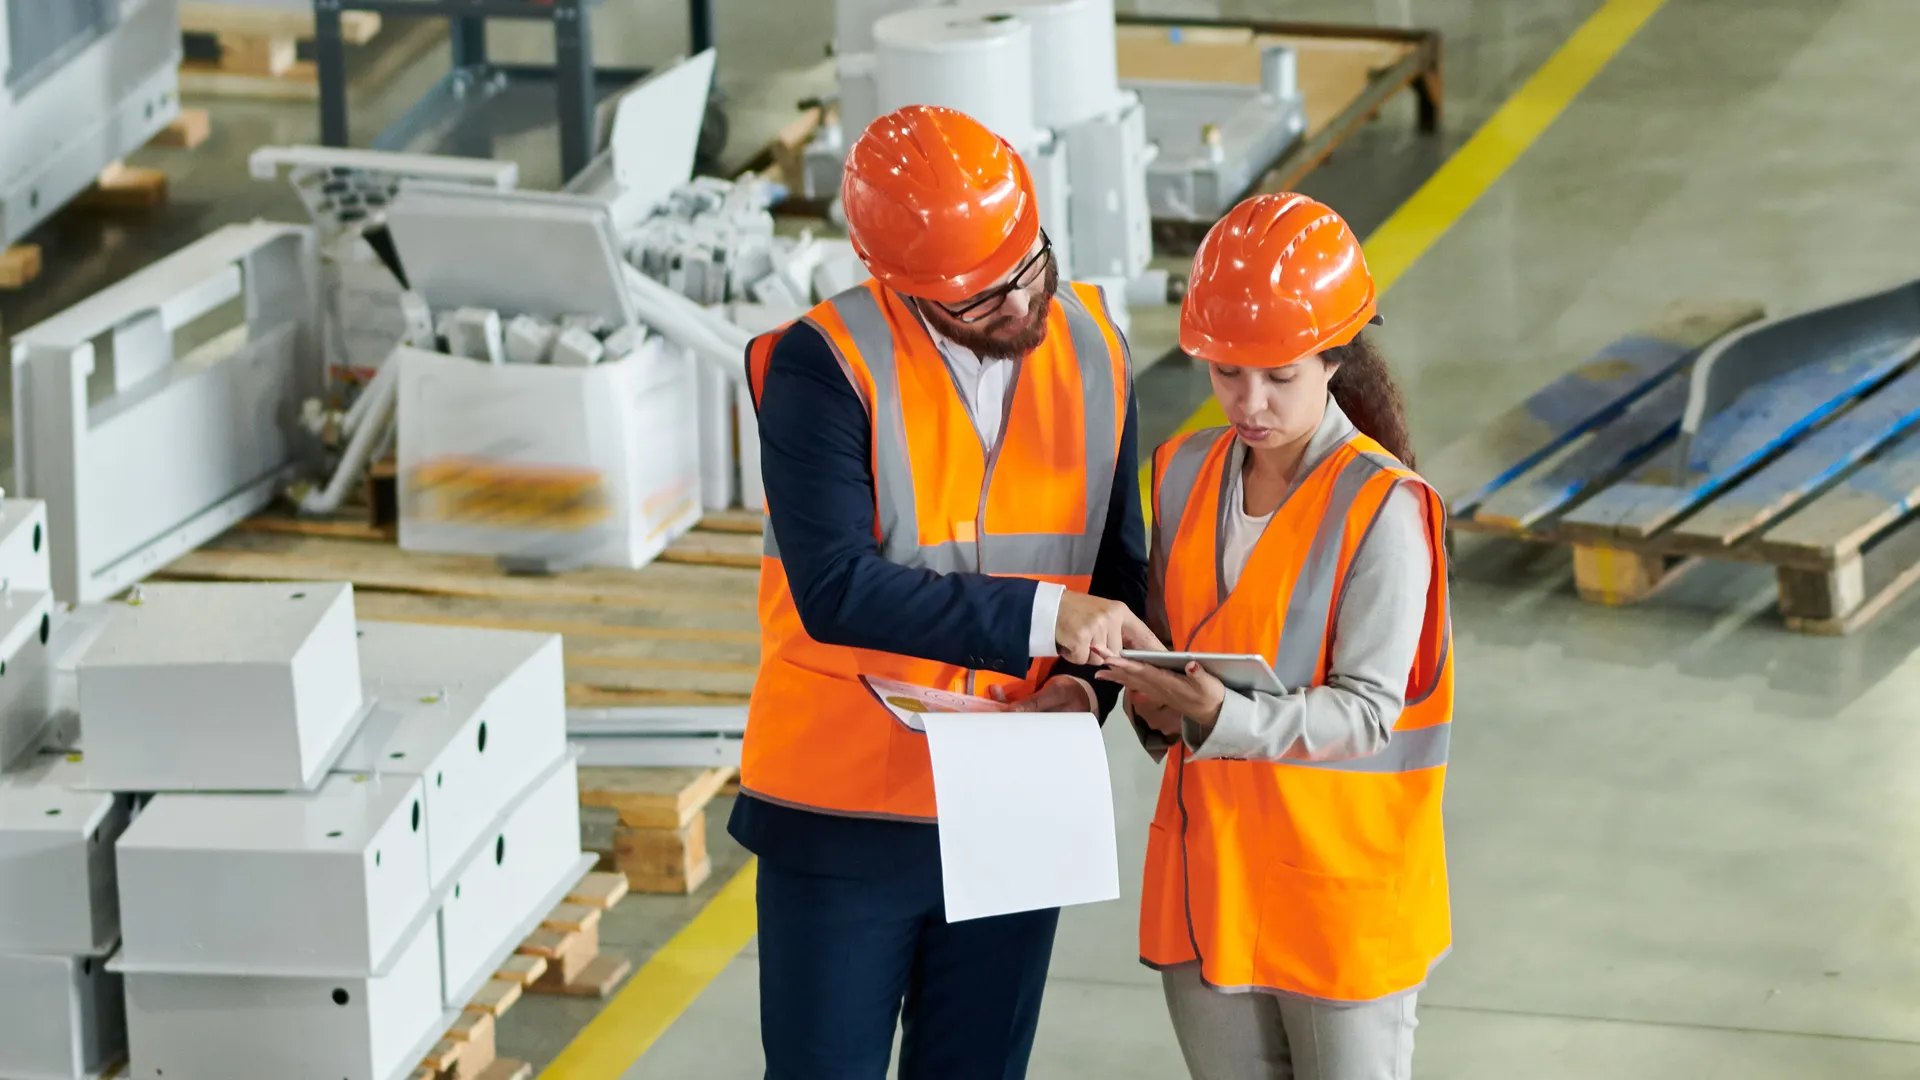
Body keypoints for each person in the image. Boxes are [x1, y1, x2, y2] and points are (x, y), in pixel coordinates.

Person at [731, 103, 1153, 1079]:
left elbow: (1118, 565)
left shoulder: (1094, 347)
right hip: (848, 807)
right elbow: (836, 588)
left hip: (1017, 787)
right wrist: (1050, 618)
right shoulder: (824, 365)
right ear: (900, 285)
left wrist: (1088, 692)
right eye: (979, 300)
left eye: (1029, 266)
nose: (1017, 305)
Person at [1095, 192, 1453, 1080]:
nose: (1247, 404)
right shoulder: (1180, 474)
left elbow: (1371, 713)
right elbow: (1173, 647)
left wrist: (1223, 718)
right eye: (1225, 373)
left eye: (1279, 377)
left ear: (1334, 358)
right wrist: (1149, 699)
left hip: (1340, 894)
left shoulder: (1384, 507)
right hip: (1210, 879)